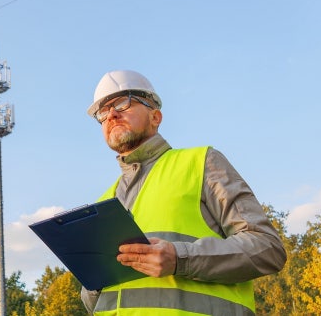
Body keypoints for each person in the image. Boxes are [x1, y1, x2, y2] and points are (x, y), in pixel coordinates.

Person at [81, 70, 286, 316]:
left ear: (155, 116)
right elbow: (96, 303)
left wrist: (181, 258)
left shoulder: (202, 163)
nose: (112, 114)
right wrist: (91, 284)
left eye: (123, 103)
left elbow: (267, 248)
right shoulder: (105, 201)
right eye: (102, 112)